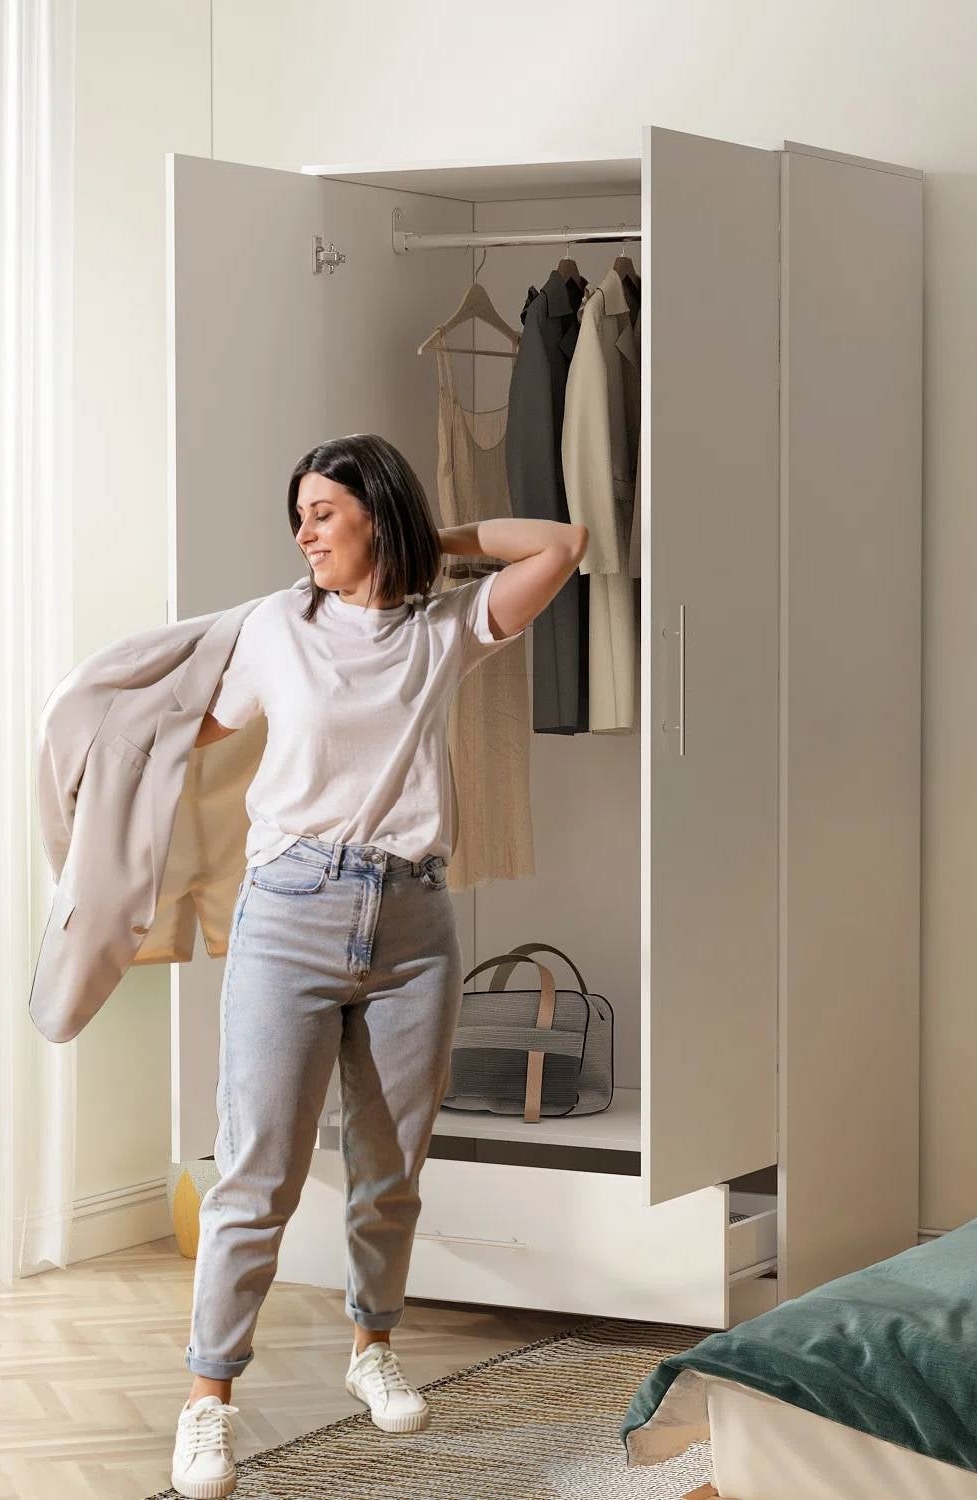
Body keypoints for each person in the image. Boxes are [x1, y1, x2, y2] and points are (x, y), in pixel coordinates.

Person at [170, 433, 586, 1498]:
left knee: (390, 1170)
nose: (304, 533)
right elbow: (192, 729)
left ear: (375, 514)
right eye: (299, 515)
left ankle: (373, 1347)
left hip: (413, 927)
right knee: (257, 1173)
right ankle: (209, 1400)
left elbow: (562, 544)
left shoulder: (442, 631)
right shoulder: (276, 627)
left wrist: (424, 541)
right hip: (290, 916)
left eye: (324, 511)